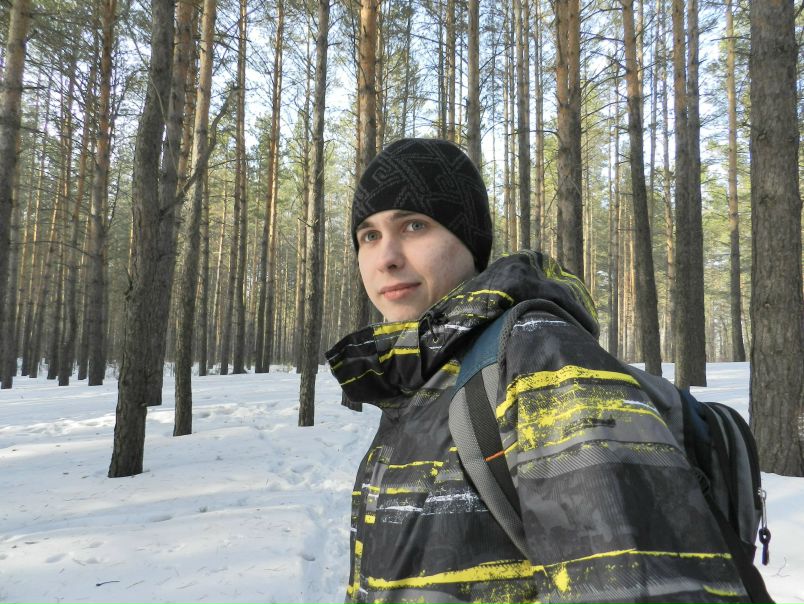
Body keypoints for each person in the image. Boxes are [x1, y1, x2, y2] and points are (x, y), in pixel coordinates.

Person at [325, 138, 750, 603]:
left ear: (469, 240)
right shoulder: (419, 380)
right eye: (369, 235)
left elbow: (633, 583)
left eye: (413, 225)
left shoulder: (533, 354)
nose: (386, 257)